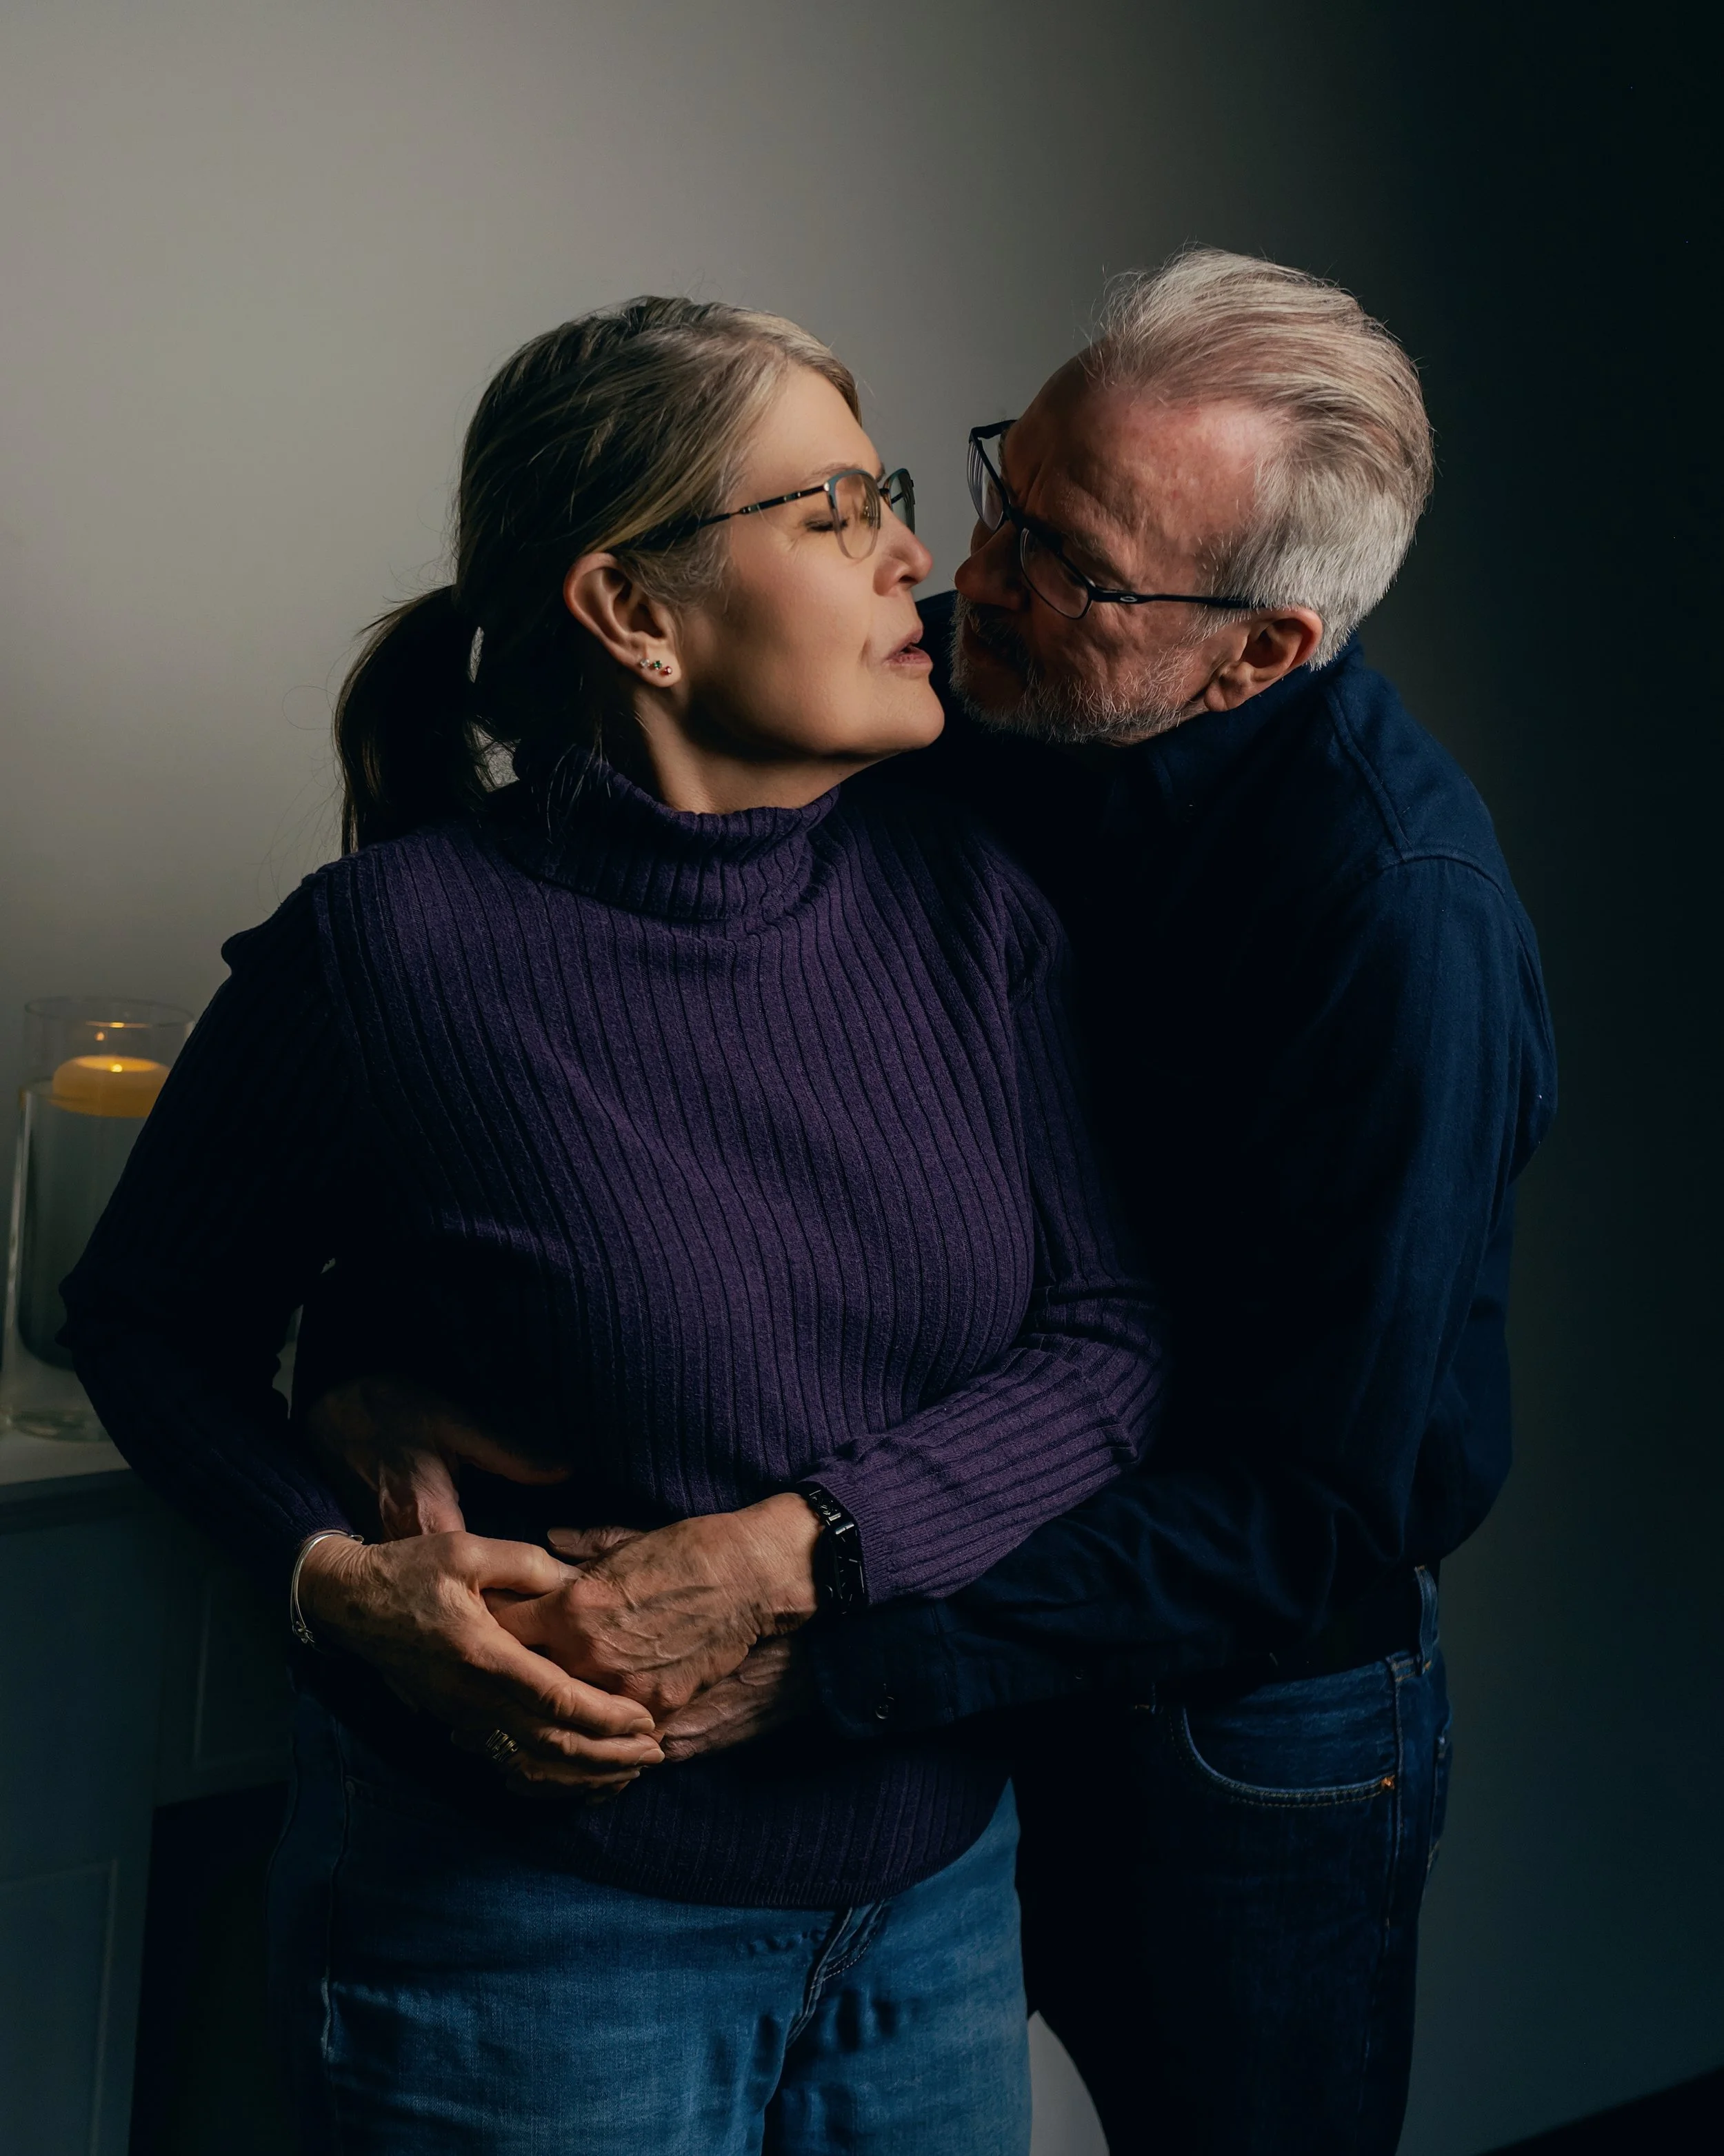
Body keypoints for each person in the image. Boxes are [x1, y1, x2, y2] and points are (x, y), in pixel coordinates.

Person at [303, 251, 1556, 2156]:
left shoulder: (1397, 921)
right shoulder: (945, 707)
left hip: (1231, 1703)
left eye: (1069, 564)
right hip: (918, 1646)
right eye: (999, 495)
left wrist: (821, 1622)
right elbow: (589, 1118)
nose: (970, 573)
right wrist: (365, 1363)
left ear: (1258, 651)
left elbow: (1306, 1503)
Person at [61, 296, 1170, 2156]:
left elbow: (1110, 1336)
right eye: (831, 508)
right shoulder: (387, 954)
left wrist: (799, 1546)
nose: (916, 553)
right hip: (528, 1940)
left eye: (885, 493)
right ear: (634, 612)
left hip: (936, 1901)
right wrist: (342, 1582)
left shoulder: (972, 902)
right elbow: (147, 1321)